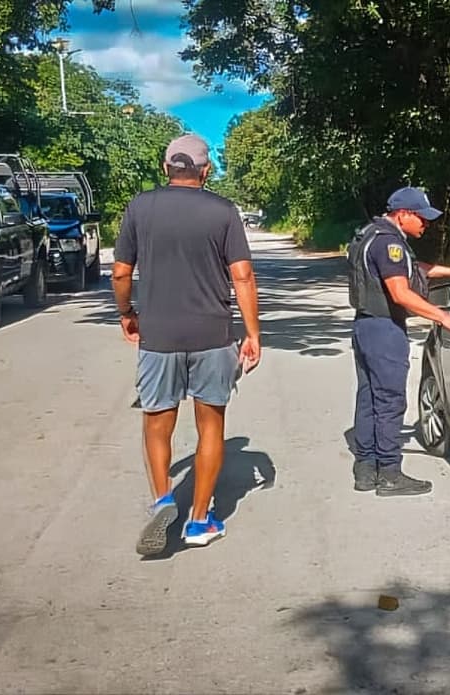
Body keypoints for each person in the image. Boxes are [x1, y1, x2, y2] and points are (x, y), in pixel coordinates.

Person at [111, 134, 262, 555]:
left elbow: (121, 273)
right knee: (210, 424)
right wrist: (253, 333)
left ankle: (163, 499)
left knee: (157, 420)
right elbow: (243, 276)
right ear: (205, 171)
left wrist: (127, 313)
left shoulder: (140, 207)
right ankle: (198, 521)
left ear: (166, 169)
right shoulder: (223, 212)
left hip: (158, 335)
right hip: (212, 335)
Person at [347, 186, 450, 496]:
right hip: (384, 330)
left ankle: (366, 469)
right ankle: (390, 474)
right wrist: (446, 319)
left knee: (368, 399)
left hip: (365, 326)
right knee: (390, 401)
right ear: (403, 214)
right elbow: (400, 292)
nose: (426, 224)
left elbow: (409, 268)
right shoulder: (389, 243)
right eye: (422, 218)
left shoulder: (371, 235)